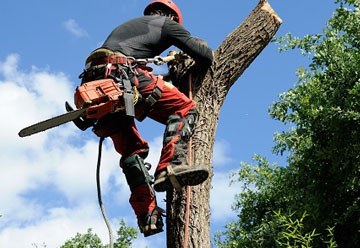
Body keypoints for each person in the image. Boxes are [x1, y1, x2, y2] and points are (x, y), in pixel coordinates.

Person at [78, 0, 213, 237]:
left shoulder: (129, 29)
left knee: (132, 150)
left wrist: (168, 75)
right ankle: (170, 166)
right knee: (184, 107)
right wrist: (199, 46)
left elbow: (141, 69)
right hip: (123, 76)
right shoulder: (166, 24)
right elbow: (205, 56)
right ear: (171, 16)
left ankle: (146, 215)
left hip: (96, 83)